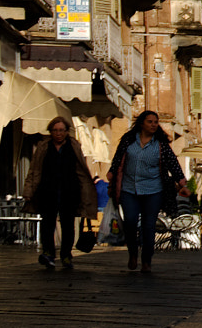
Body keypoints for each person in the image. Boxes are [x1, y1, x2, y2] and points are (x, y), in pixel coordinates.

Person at [107, 109, 188, 274]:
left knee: (149, 226)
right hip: (129, 189)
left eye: (155, 122)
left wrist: (182, 182)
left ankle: (146, 260)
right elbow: (117, 158)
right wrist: (112, 173)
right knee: (130, 221)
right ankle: (132, 253)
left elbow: (173, 163)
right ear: (142, 123)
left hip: (153, 190)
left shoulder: (160, 144)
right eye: (150, 122)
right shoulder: (129, 141)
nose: (153, 125)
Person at [23, 116, 98, 271]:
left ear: (66, 131)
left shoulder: (73, 146)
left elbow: (81, 171)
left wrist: (87, 193)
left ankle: (66, 255)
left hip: (69, 191)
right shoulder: (44, 147)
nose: (58, 133)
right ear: (51, 132)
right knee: (47, 224)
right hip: (47, 191)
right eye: (55, 130)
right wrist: (29, 190)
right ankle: (48, 253)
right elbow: (34, 170)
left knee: (68, 224)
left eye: (61, 130)